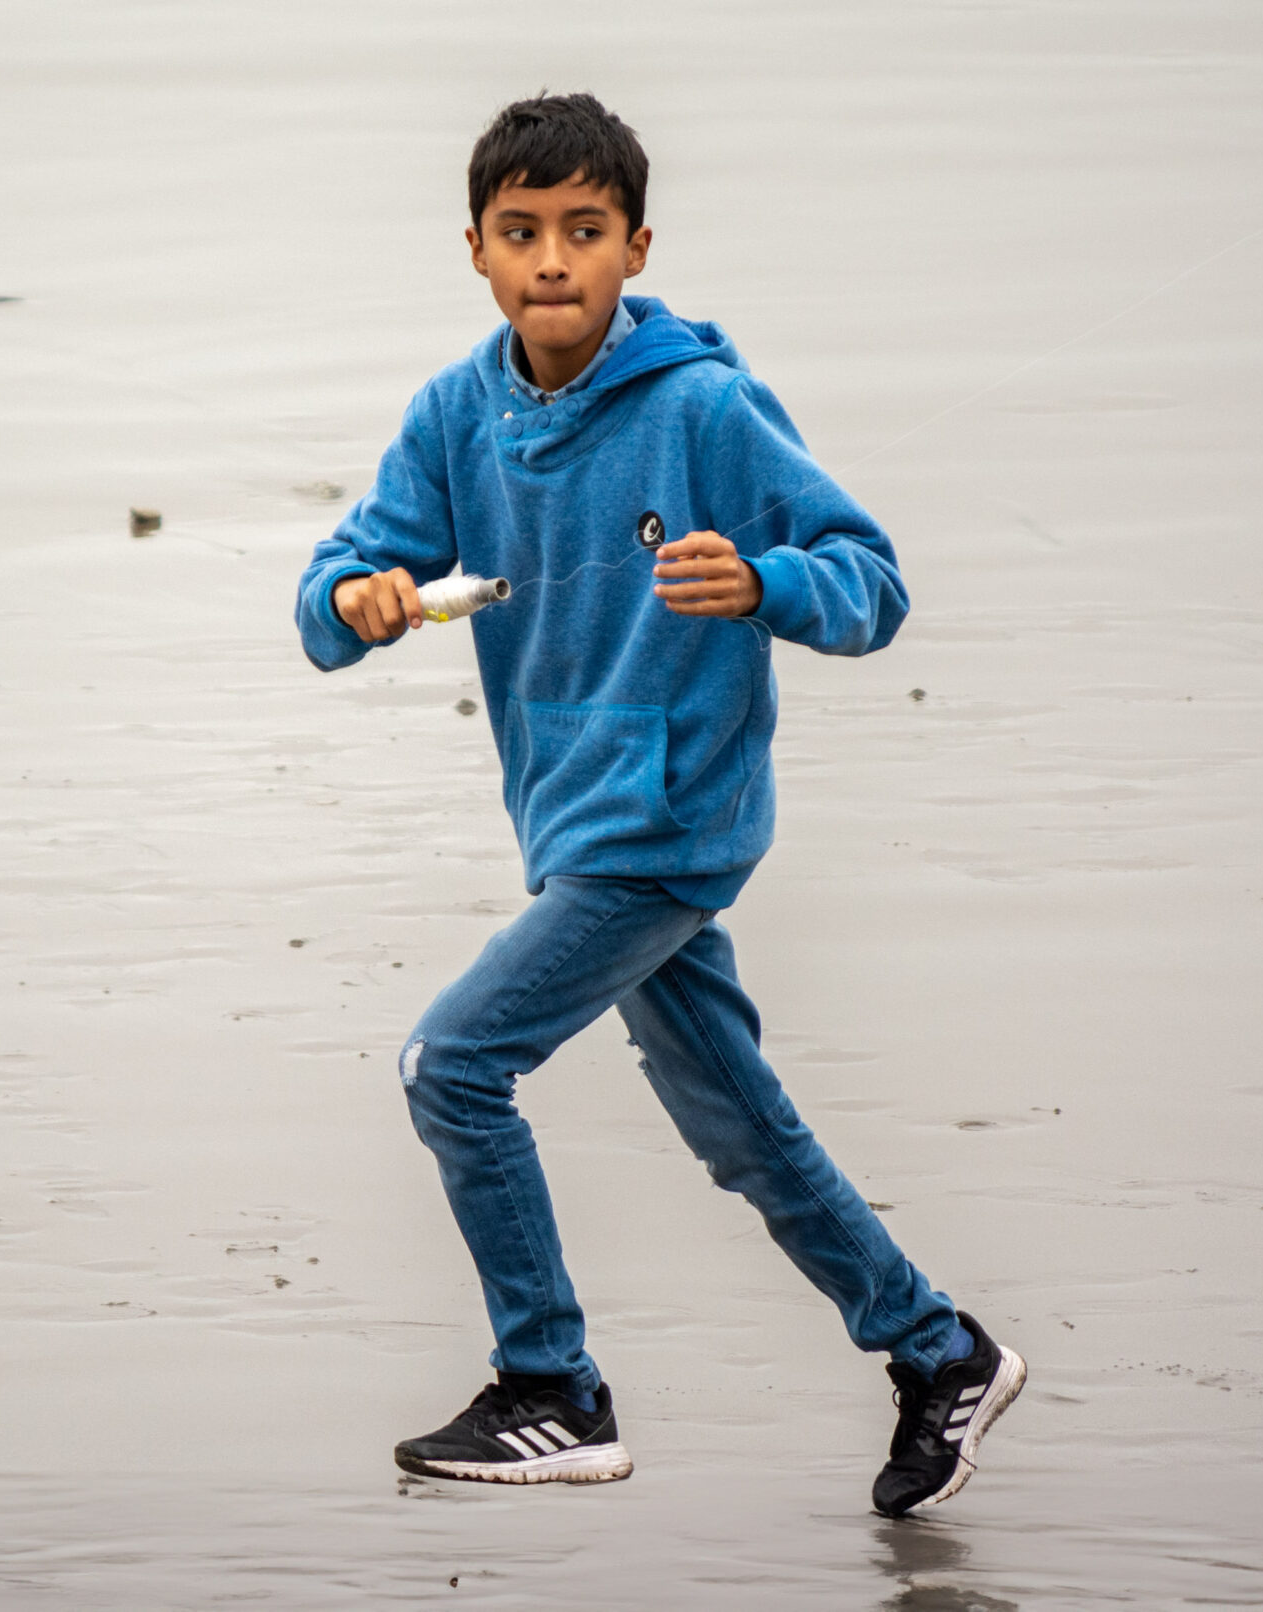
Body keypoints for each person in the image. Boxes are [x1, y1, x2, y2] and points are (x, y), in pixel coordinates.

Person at [293, 92, 1024, 1517]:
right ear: (476, 250)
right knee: (735, 1122)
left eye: (583, 231)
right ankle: (939, 1351)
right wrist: (360, 599)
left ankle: (551, 1387)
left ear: (635, 245)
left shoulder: (701, 405)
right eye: (522, 234)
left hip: (669, 825)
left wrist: (766, 583)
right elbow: (333, 595)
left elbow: (868, 576)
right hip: (569, 823)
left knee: (453, 1065)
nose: (552, 259)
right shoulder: (457, 417)